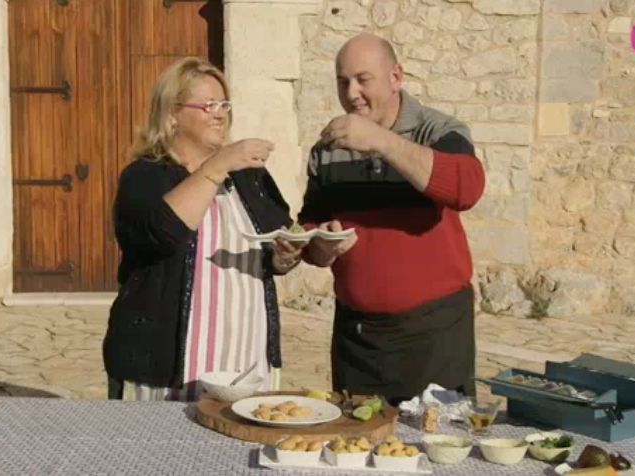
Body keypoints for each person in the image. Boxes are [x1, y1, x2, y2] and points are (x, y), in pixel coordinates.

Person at [298, 33, 486, 405]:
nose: (351, 93)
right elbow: (311, 230)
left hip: (435, 335)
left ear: (396, 77)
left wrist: (382, 141)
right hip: (358, 337)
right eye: (342, 81)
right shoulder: (328, 149)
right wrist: (320, 245)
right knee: (357, 451)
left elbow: (467, 189)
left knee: (438, 450)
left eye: (363, 79)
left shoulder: (439, 131)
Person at [103, 57, 305, 401]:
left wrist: (287, 256)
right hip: (166, 368)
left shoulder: (249, 177)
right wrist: (220, 162)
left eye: (224, 104)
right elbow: (161, 234)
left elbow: (277, 247)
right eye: (208, 104)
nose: (220, 113)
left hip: (244, 359)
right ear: (171, 115)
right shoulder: (145, 176)